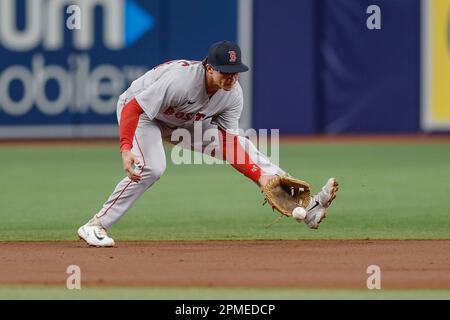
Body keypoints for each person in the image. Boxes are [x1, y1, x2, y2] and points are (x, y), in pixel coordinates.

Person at [77, 40, 338, 247]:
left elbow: (229, 144)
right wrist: (125, 149)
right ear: (209, 67)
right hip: (143, 114)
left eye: (236, 73)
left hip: (184, 121)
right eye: (225, 72)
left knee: (245, 147)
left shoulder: (232, 95)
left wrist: (259, 177)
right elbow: (134, 108)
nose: (231, 79)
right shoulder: (180, 82)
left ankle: (309, 207)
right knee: (152, 168)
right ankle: (95, 225)